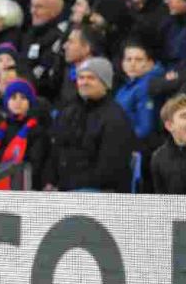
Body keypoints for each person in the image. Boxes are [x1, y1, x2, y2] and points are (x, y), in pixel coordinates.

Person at [44, 57, 135, 192]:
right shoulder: (69, 111)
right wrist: (50, 181)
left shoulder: (115, 118)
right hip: (66, 187)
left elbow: (109, 170)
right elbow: (56, 150)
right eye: (81, 78)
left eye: (91, 78)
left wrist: (68, 187)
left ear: (105, 83)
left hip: (99, 192)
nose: (84, 82)